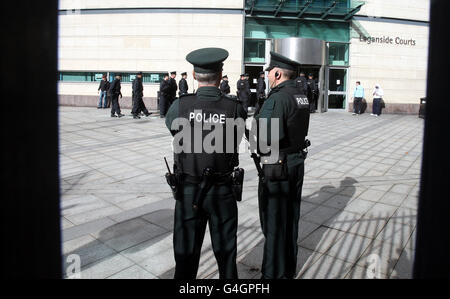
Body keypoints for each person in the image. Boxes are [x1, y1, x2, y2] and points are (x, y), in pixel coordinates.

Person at [165, 47, 247, 279]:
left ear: (192, 75)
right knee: (226, 256)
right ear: (221, 76)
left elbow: (172, 128)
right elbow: (238, 133)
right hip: (222, 191)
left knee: (185, 257)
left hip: (189, 190)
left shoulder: (180, 106)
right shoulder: (234, 108)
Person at [252, 51, 310, 279]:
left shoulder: (277, 98)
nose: (267, 76)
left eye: (269, 72)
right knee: (290, 220)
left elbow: (265, 138)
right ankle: (287, 270)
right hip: (295, 162)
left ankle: (272, 275)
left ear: (277, 73)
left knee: (274, 223)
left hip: (278, 166)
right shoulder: (300, 95)